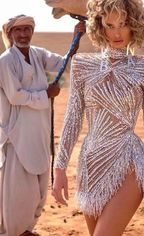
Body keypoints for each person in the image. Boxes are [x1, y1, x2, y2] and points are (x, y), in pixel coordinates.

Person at [52, 0, 144, 235]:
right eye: (109, 25)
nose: (116, 32)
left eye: (123, 24)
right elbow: (73, 118)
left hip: (128, 161)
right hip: (90, 165)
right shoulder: (82, 65)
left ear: (134, 24)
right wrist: (59, 168)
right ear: (99, 26)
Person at [0, 14, 85, 236]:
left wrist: (75, 40)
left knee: (38, 186)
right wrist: (45, 94)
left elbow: (63, 64)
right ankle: (14, 231)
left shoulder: (38, 54)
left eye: (27, 29)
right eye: (18, 30)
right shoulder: (6, 61)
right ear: (10, 34)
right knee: (18, 188)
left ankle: (27, 228)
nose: (23, 34)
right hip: (16, 133)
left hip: (39, 130)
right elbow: (15, 96)